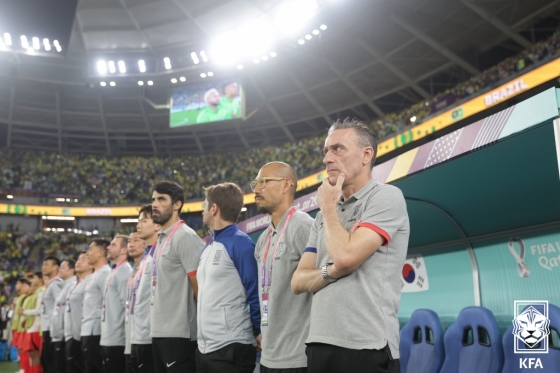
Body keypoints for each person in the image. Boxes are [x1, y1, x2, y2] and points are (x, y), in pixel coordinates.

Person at [291, 118, 410, 373]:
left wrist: (328, 207)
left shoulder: (385, 197)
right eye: (326, 151)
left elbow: (345, 256)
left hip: (367, 347)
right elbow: (298, 281)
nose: (327, 159)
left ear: (366, 154)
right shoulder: (323, 216)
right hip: (318, 344)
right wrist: (332, 271)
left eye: (337, 149)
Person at [252, 162, 314, 372]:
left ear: (286, 185)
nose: (256, 189)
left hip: (297, 359)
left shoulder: (303, 226)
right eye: (255, 183)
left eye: (263, 182)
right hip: (268, 356)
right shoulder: (263, 239)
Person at [196, 182, 260, 373]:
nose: (202, 211)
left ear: (214, 209)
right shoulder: (208, 248)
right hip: (205, 348)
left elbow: (255, 292)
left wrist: (257, 330)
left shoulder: (241, 244)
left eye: (204, 206)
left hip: (232, 347)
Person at [150, 181, 204, 373]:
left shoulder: (185, 237)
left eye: (161, 199)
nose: (154, 204)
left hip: (179, 335)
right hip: (159, 331)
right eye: (154, 199)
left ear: (177, 204)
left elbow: (201, 288)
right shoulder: (162, 239)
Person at [130, 205, 161, 373]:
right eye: (138, 221)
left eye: (143, 221)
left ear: (157, 225)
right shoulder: (146, 257)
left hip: (150, 337)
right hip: (138, 335)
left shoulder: (160, 253)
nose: (138, 225)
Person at [100, 235, 133, 373]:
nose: (108, 247)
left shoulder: (125, 271)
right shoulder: (115, 270)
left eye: (113, 245)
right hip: (108, 336)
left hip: (117, 339)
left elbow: (127, 307)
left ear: (123, 250)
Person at [81, 239, 111, 373]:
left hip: (96, 330)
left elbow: (108, 302)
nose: (88, 253)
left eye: (90, 250)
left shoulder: (105, 273)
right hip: (88, 329)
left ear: (100, 253)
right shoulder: (96, 274)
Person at [65, 253, 93, 373]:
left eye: (83, 259)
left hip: (83, 335)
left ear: (91, 264)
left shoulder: (90, 282)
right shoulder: (76, 283)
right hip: (72, 334)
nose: (78, 262)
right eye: (78, 259)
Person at [50, 259, 76, 373]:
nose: (59, 270)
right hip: (59, 334)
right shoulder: (65, 285)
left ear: (71, 270)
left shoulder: (72, 285)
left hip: (64, 335)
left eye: (62, 267)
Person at [125, 231, 144, 373]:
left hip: (145, 337)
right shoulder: (133, 270)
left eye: (136, 240)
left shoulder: (149, 266)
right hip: (131, 336)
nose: (131, 244)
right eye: (129, 241)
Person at [41, 256, 64, 373]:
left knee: (50, 363)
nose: (43, 267)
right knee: (46, 361)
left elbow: (60, 305)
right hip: (47, 327)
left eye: (46, 264)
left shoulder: (56, 284)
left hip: (52, 328)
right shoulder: (51, 284)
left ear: (55, 267)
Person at [20, 272, 45, 373]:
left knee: (36, 355)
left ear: (40, 279)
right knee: (32, 354)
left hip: (36, 327)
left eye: (33, 278)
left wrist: (24, 312)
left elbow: (39, 310)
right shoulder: (36, 293)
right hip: (31, 327)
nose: (31, 281)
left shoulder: (41, 291)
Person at [12, 278, 29, 373]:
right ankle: (22, 368)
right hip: (17, 326)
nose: (16, 286)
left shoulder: (24, 297)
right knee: (20, 348)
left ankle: (24, 369)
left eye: (18, 284)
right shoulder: (20, 297)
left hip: (22, 327)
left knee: (24, 349)